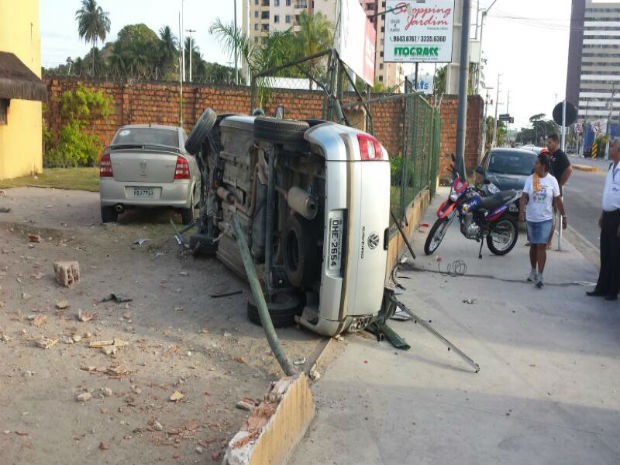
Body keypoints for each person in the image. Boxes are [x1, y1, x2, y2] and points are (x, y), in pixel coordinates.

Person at [519, 153, 567, 288]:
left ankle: (540, 275)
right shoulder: (530, 179)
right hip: (531, 218)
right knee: (533, 245)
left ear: (543, 166)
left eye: (536, 163)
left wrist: (564, 216)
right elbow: (523, 197)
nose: (534, 165)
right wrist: (521, 212)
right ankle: (533, 270)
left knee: (541, 245)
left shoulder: (552, 181)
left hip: (545, 218)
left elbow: (557, 200)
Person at [587, 137, 620, 301]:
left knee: (616, 255)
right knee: (605, 253)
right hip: (607, 215)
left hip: (617, 217)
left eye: (612, 146)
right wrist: (602, 213)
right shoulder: (610, 167)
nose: (610, 148)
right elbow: (608, 192)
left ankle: (613, 291)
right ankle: (602, 287)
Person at [545, 134, 573, 248]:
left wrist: (560, 184)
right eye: (547, 142)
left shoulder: (560, 155)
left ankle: (549, 242)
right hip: (547, 189)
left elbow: (569, 169)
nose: (548, 144)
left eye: (550, 142)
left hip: (555, 190)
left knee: (552, 215)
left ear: (556, 142)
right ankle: (541, 240)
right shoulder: (550, 155)